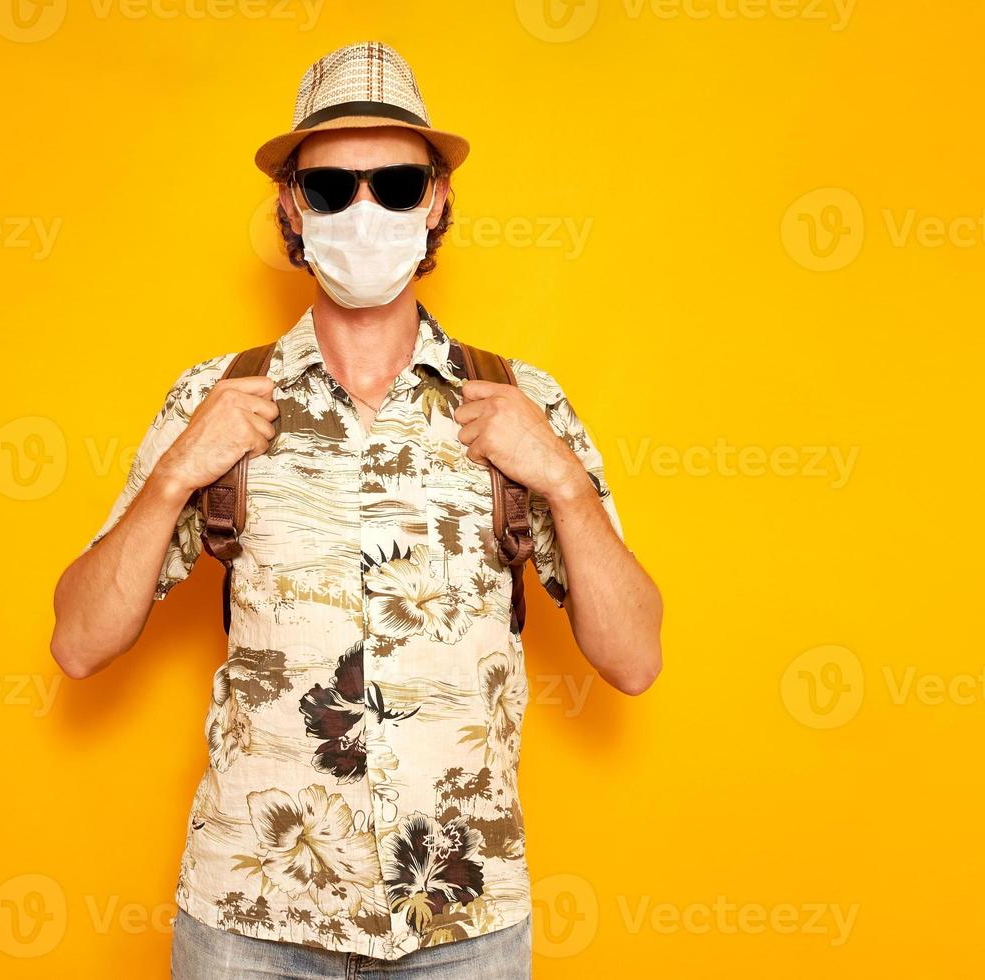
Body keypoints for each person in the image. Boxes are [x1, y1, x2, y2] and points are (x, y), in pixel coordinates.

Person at [51, 41, 663, 979]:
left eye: (398, 182)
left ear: (439, 202)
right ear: (291, 207)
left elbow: (633, 660)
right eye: (333, 188)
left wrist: (565, 486)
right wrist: (176, 474)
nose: (365, 210)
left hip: (462, 923)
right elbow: (79, 643)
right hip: (248, 922)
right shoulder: (217, 399)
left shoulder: (518, 400)